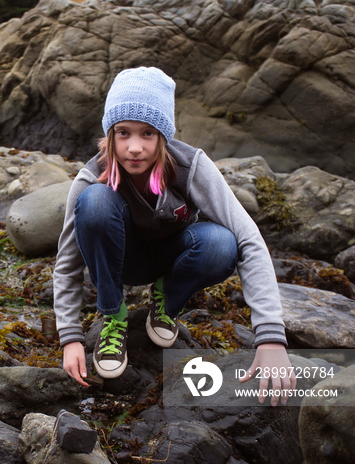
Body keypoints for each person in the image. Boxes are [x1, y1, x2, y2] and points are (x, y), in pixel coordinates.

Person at [52, 66, 297, 406]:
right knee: (92, 203)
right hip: (123, 263)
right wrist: (70, 338)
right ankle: (114, 316)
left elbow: (249, 239)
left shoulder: (191, 166)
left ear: (163, 135)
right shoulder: (91, 175)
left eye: (147, 134)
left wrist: (271, 338)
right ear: (110, 135)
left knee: (221, 243)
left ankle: (166, 301)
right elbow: (66, 262)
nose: (134, 147)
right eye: (123, 133)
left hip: (175, 257)